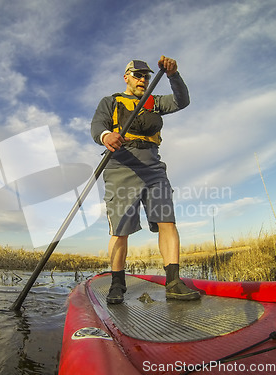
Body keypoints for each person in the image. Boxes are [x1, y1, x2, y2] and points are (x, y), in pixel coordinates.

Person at [91, 56, 201, 304]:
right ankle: (117, 283)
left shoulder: (153, 101)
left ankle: (173, 282)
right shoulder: (111, 101)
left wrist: (173, 75)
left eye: (147, 76)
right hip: (121, 166)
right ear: (126, 77)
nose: (143, 79)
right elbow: (98, 126)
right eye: (138, 75)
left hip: (153, 167)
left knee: (167, 221)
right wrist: (106, 136)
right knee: (120, 231)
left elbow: (182, 101)